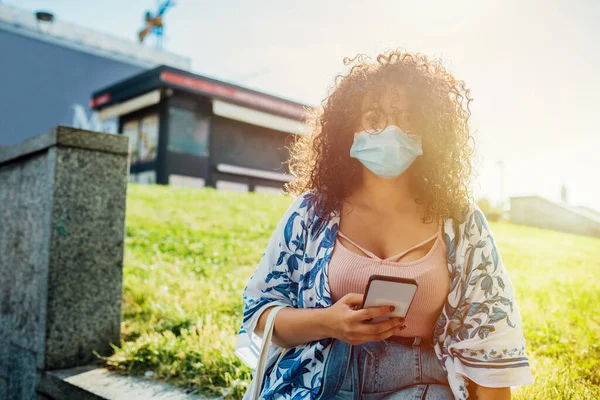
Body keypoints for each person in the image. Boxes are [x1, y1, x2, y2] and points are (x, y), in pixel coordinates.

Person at [235, 49, 534, 400]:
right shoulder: (311, 212)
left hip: (422, 386)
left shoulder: (462, 223)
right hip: (319, 380)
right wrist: (330, 322)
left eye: (405, 119)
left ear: (428, 132)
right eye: (373, 117)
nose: (390, 131)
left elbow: (491, 341)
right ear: (348, 128)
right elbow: (260, 313)